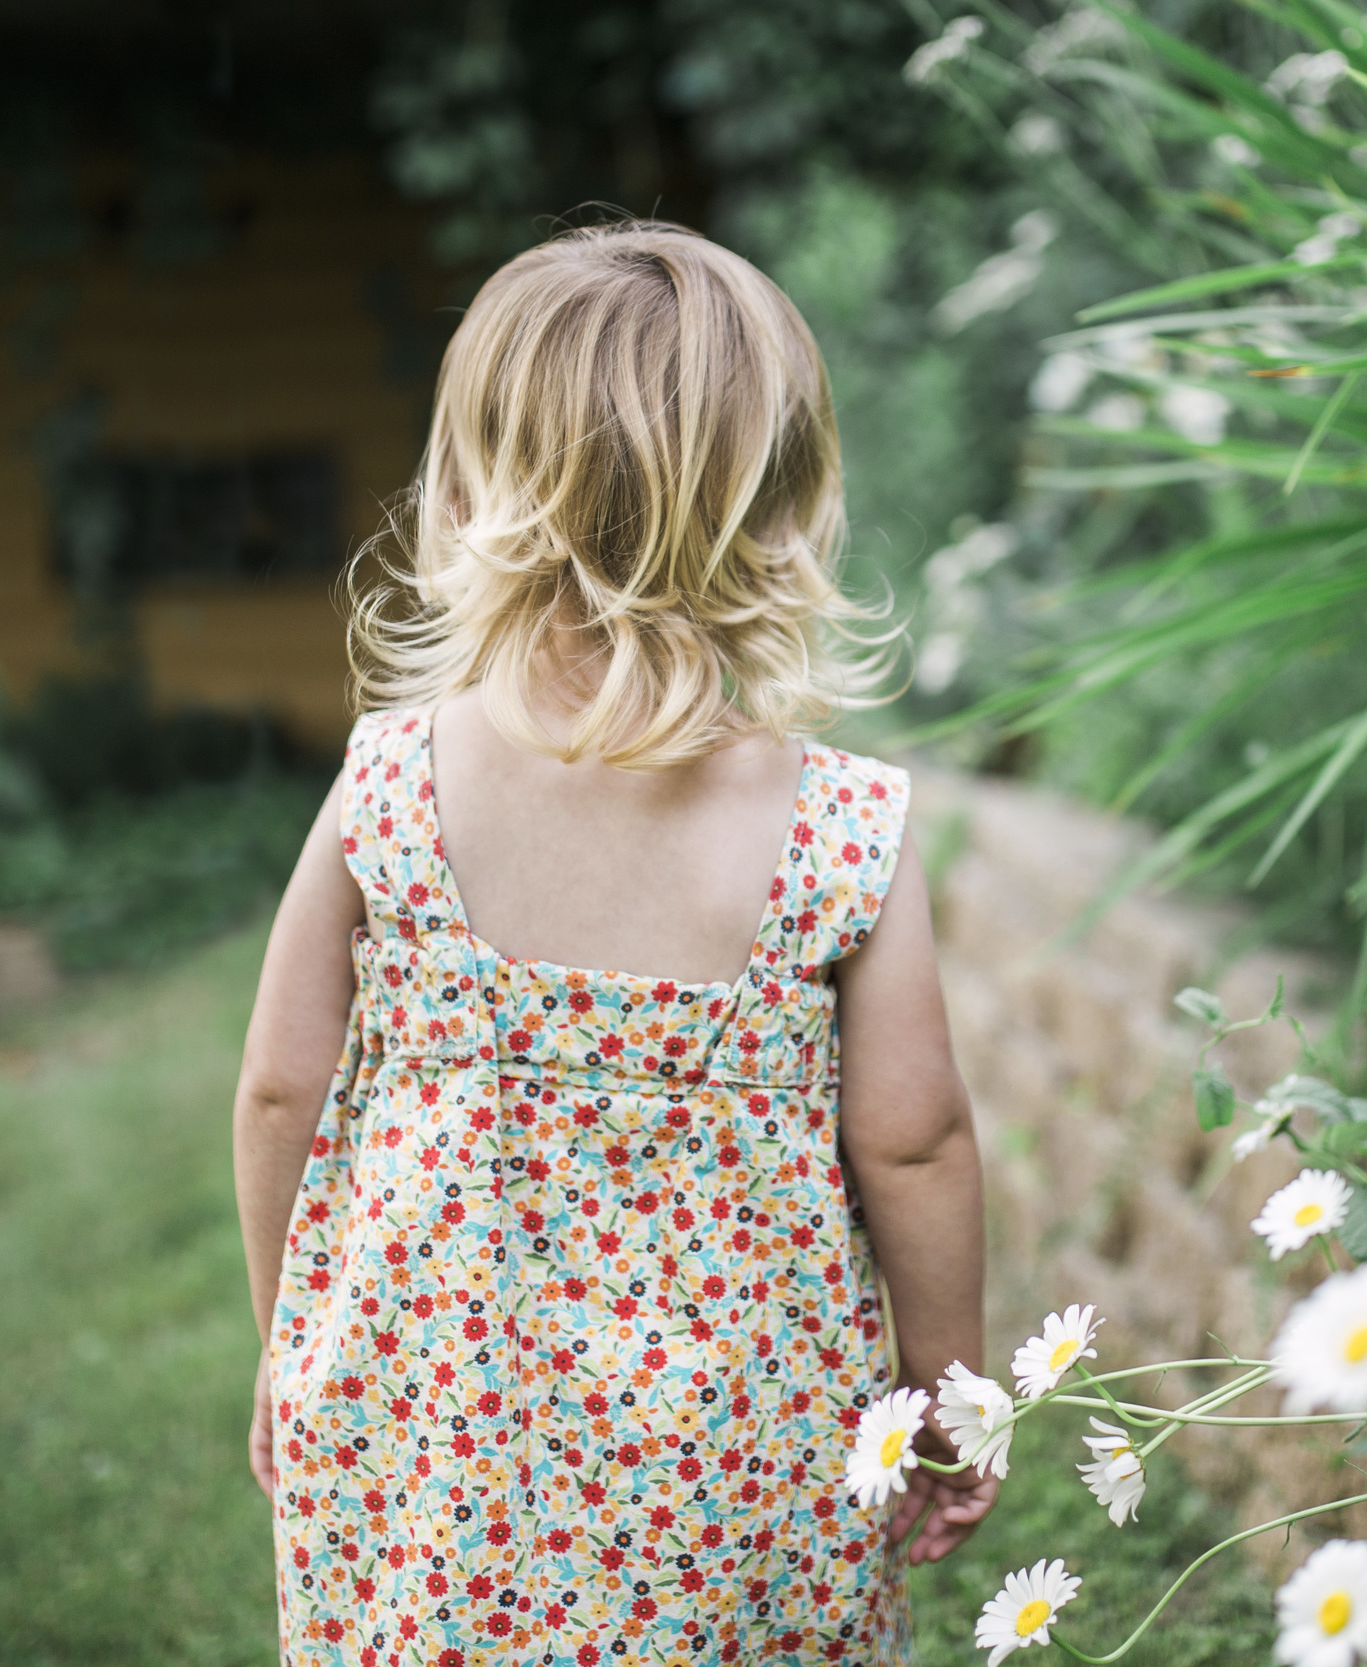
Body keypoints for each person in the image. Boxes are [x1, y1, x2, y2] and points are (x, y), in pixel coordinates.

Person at [231, 222, 993, 1667]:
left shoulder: (388, 784)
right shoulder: (839, 826)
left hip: (431, 1449)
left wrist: (297, 1341)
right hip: (739, 1477)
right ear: (785, 502)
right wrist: (947, 1389)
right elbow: (913, 1139)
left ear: (463, 493)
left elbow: (282, 1088)